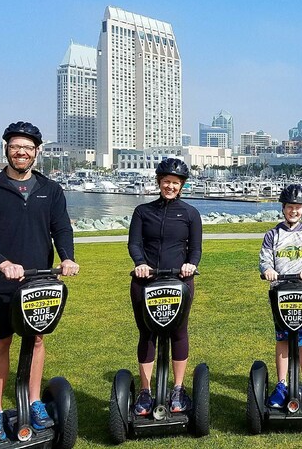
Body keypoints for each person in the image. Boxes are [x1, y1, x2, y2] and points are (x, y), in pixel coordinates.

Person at [0, 121, 79, 443]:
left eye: (28, 148)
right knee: (0, 343)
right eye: (16, 147)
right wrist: (2, 263)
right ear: (6, 149)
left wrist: (67, 257)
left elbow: (61, 229)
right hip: (0, 282)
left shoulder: (50, 190)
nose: (22, 152)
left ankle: (34, 401)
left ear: (37, 152)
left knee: (37, 340)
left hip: (39, 281)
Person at [128, 158, 202, 415]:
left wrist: (190, 265)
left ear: (182, 186)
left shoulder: (190, 213)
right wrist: (140, 263)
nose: (170, 186)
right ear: (159, 182)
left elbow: (195, 248)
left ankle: (178, 388)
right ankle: (145, 391)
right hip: (145, 280)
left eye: (175, 183)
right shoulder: (143, 211)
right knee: (146, 333)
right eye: (166, 182)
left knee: (179, 332)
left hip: (179, 280)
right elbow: (134, 244)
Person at [259, 184, 302, 408]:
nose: (293, 211)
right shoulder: (272, 235)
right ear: (283, 208)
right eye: (289, 207)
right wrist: (268, 270)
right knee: (283, 339)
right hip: (280, 294)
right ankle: (282, 384)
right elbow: (265, 259)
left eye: (297, 207)